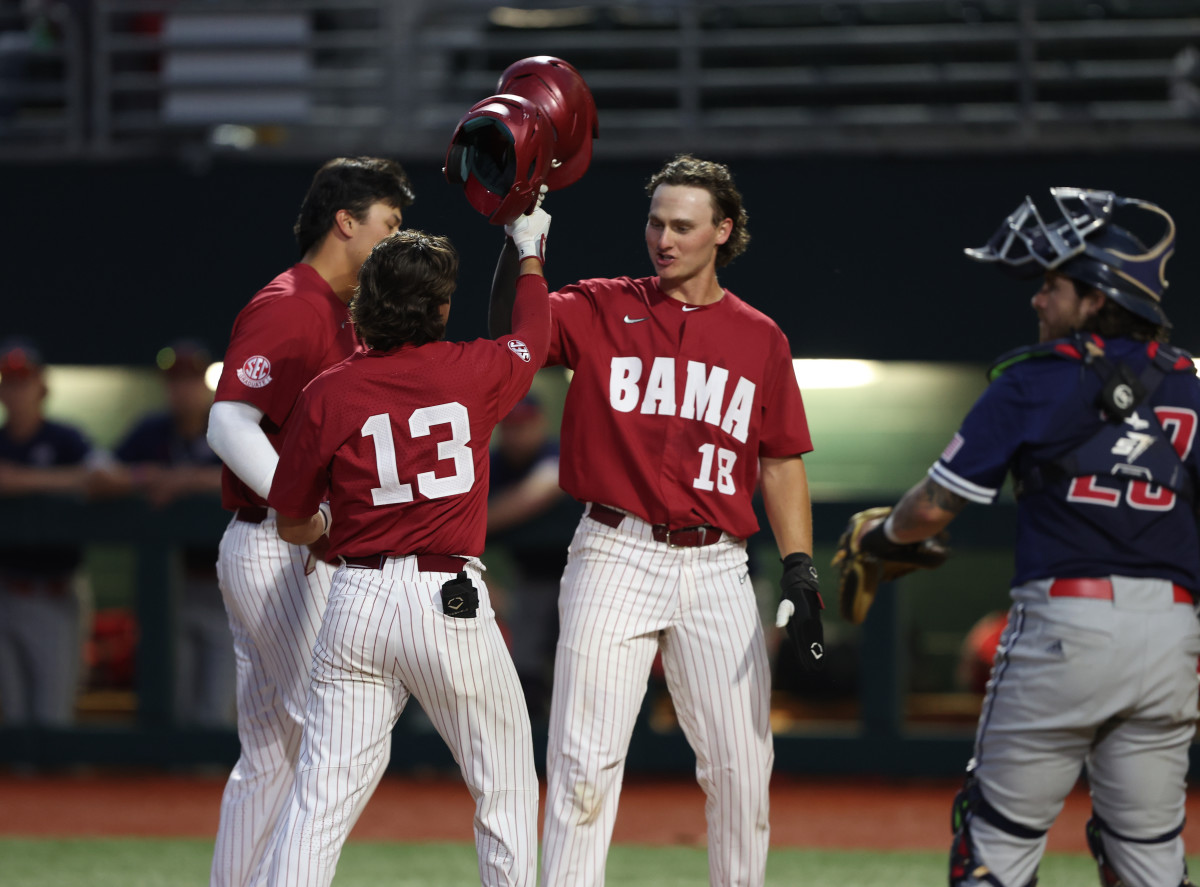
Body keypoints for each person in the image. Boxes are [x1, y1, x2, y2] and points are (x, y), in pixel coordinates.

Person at [490, 153, 822, 887]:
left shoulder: (760, 336)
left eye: (682, 225)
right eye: (655, 221)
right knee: (583, 760)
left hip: (717, 566)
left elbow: (780, 458)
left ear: (722, 231)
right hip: (615, 550)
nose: (663, 238)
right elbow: (509, 337)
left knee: (741, 765)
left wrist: (799, 563)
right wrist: (527, 249)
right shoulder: (600, 305)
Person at [858, 188, 1199, 887]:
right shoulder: (1194, 385)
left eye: (1053, 285)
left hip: (1066, 629)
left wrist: (884, 539)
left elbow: (933, 506)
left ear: (1097, 297)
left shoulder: (1036, 379)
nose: (1039, 300)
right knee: (1149, 858)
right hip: (1173, 637)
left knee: (995, 848)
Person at [263, 220, 551, 886]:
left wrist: (327, 528)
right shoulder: (476, 367)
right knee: (503, 780)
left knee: (320, 798)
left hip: (356, 597)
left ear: (365, 302)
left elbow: (290, 520)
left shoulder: (327, 390)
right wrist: (531, 248)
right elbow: (533, 336)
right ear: (441, 307)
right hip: (445, 596)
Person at [204, 156, 414, 886]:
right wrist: (308, 510)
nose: (396, 239)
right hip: (280, 543)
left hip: (275, 543)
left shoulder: (343, 308)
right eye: (389, 224)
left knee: (273, 751)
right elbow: (229, 422)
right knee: (343, 737)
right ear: (345, 221)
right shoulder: (292, 301)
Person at [98, 339, 232, 727]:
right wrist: (144, 476)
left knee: (215, 712)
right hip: (172, 588)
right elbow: (100, 476)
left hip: (228, 588)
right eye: (175, 380)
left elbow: (263, 475)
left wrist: (181, 481)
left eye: (191, 379)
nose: (182, 389)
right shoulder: (151, 431)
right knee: (171, 707)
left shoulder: (230, 423)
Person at [0, 338, 99, 726]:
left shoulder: (65, 438)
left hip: (56, 590)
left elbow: (104, 478)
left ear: (41, 387)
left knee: (52, 717)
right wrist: (62, 482)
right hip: (6, 587)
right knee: (11, 717)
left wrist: (24, 480)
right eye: (9, 381)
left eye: (23, 380)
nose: (16, 390)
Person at [487, 392, 580, 720]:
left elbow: (540, 489)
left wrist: (482, 521)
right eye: (511, 426)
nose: (518, 434)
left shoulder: (552, 451)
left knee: (581, 668)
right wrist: (488, 591)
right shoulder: (495, 464)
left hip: (583, 578)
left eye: (525, 425)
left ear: (539, 424)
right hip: (530, 580)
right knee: (526, 669)